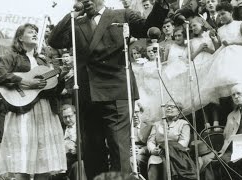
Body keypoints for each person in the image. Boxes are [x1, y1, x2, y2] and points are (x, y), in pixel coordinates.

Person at [48, 0, 169, 179]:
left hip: (116, 91)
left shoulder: (121, 15)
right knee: (92, 152)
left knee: (118, 148)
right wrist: (71, 15)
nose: (86, 1)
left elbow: (147, 28)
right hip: (87, 94)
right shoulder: (77, 23)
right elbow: (55, 40)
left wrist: (162, 4)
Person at [0, 23, 67, 180]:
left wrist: (62, 78)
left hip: (44, 111)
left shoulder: (43, 61)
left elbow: (51, 89)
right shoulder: (13, 56)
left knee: (43, 163)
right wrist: (22, 82)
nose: (34, 34)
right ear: (20, 37)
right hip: (22, 111)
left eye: (36, 33)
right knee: (23, 162)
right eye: (30, 32)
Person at [206, 2, 242, 99]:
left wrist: (233, 42)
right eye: (219, 15)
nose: (221, 17)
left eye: (223, 13)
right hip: (225, 62)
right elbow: (219, 49)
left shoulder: (240, 24)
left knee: (241, 84)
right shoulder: (220, 30)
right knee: (231, 89)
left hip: (240, 57)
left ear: (231, 12)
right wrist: (214, 39)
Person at [147, 100, 196, 180]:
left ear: (179, 111)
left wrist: (168, 149)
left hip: (177, 154)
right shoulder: (157, 124)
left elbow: (184, 142)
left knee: (171, 164)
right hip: (158, 153)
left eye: (172, 107)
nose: (169, 108)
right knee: (153, 162)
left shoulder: (183, 124)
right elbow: (151, 141)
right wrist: (153, 150)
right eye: (167, 106)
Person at [61, 104, 87, 180]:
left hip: (76, 160)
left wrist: (78, 150)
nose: (68, 119)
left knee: (80, 165)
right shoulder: (59, 129)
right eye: (65, 117)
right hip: (62, 162)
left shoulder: (82, 128)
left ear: (75, 114)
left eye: (70, 116)